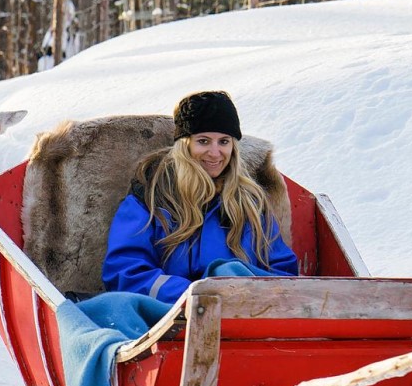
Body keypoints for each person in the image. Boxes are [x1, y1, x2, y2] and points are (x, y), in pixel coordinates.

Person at [101, 90, 299, 303]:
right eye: (203, 141)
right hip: (170, 320)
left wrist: (239, 290)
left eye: (224, 142)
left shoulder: (250, 203)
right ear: (184, 145)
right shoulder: (151, 199)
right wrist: (195, 297)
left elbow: (283, 273)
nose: (215, 153)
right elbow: (125, 272)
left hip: (242, 320)